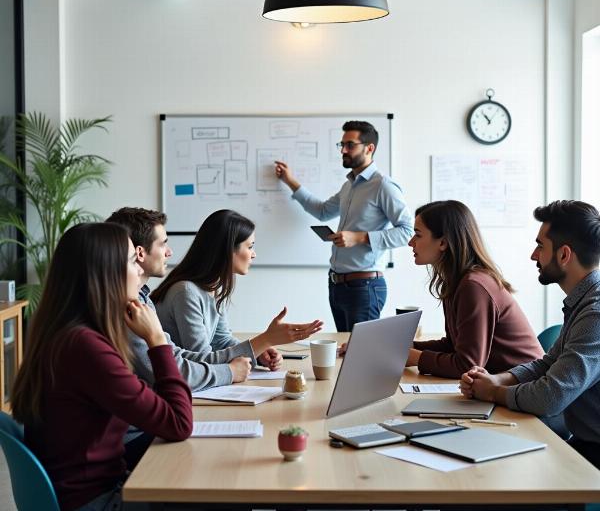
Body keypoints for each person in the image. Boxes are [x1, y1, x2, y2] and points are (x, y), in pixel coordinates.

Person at [10, 223, 193, 511]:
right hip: (97, 501)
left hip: (88, 490)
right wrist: (157, 340)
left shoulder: (65, 333)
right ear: (107, 275)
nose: (139, 271)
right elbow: (179, 424)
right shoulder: (85, 347)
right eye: (134, 261)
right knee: (219, 496)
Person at [460, 200, 600, 470]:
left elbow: (551, 397)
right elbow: (547, 364)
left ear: (564, 255)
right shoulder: (582, 303)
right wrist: (495, 379)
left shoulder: (595, 313)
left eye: (540, 246)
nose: (533, 255)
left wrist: (493, 393)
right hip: (584, 443)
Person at [274, 120, 413, 332]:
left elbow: (407, 231)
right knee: (347, 352)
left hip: (364, 287)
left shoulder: (383, 186)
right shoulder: (349, 186)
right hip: (338, 285)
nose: (344, 151)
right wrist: (290, 181)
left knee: (362, 355)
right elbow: (322, 211)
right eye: (342, 145)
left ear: (369, 148)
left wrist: (359, 237)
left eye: (350, 145)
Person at [107, 207, 251, 389]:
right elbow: (173, 373)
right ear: (140, 253)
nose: (169, 252)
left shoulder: (142, 297)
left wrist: (244, 359)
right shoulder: (129, 309)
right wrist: (229, 372)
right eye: (162, 244)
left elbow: (175, 355)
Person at [152, 209, 323, 362]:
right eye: (250, 247)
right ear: (228, 250)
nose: (254, 254)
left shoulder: (214, 287)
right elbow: (202, 359)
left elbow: (221, 341)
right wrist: (264, 340)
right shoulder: (186, 292)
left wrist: (257, 352)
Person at [405, 200, 543, 378]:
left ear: (443, 242)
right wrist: (411, 348)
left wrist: (417, 357)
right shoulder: (457, 281)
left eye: (418, 234)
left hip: (522, 388)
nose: (411, 242)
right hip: (500, 385)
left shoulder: (473, 286)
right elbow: (455, 345)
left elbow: (467, 365)